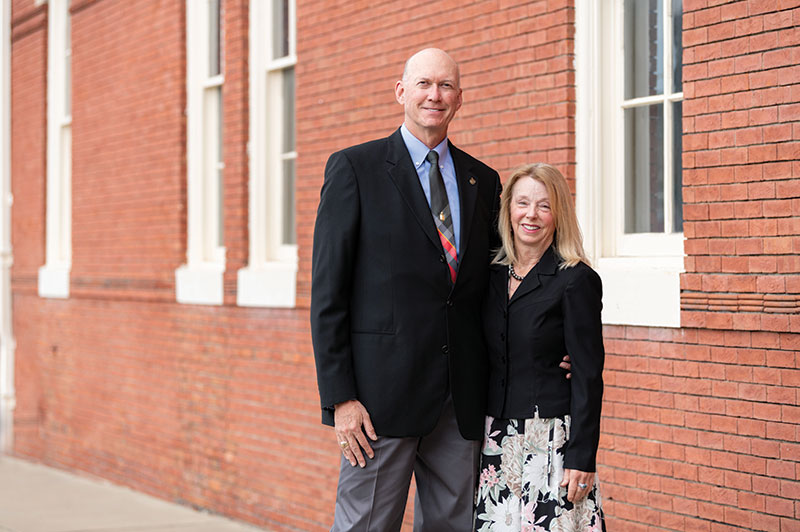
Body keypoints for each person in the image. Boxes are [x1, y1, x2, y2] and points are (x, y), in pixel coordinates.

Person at [310, 48, 502, 531]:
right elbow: (328, 294)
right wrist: (340, 399)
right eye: (423, 84)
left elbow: (497, 290)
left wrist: (550, 347)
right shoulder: (355, 169)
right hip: (378, 403)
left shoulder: (484, 180)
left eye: (445, 86)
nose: (434, 95)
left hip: (460, 399)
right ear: (401, 92)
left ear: (459, 98)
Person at [474, 163, 606, 531]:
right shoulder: (488, 275)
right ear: (508, 210)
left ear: (558, 214)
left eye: (544, 206)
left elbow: (587, 375)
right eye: (523, 203)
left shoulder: (576, 279)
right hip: (494, 439)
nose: (531, 215)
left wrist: (582, 456)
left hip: (550, 442)